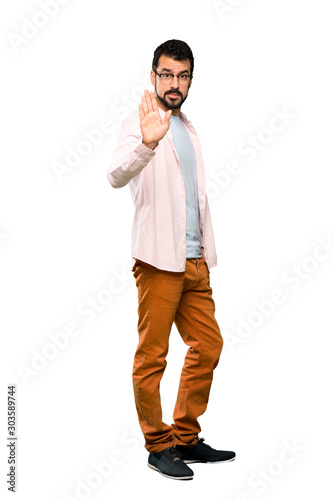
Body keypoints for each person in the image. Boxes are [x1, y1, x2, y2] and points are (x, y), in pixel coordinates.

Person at [107, 39, 235, 480]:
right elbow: (115, 175)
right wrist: (145, 143)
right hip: (159, 263)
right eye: (166, 74)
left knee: (209, 346)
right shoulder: (139, 122)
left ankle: (185, 437)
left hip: (195, 262)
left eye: (182, 76)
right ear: (153, 76)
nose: (174, 83)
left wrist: (201, 252)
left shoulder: (190, 127)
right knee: (153, 357)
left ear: (190, 80)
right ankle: (157, 445)